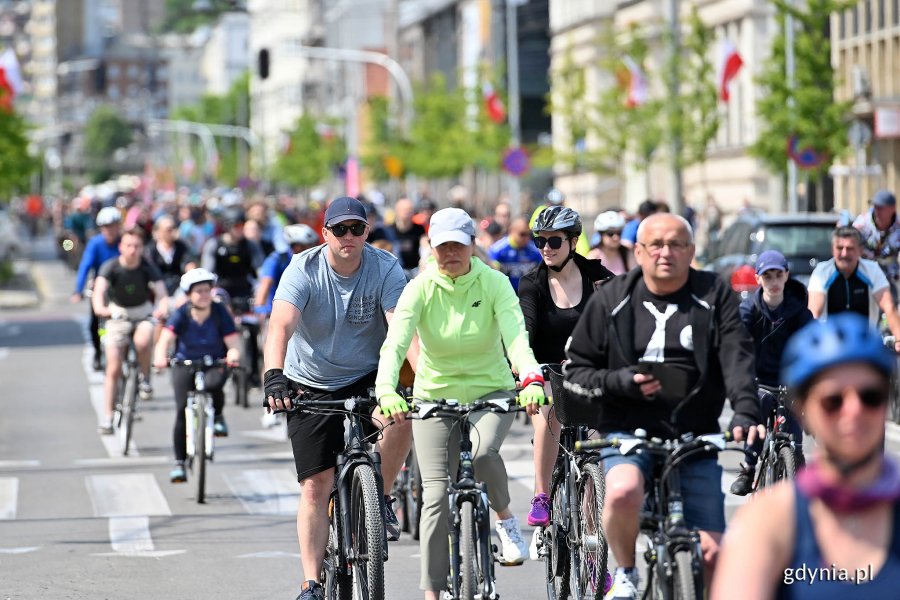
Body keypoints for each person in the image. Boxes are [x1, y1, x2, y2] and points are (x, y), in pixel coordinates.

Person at [564, 212, 763, 599]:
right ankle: (625, 572)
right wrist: (619, 382)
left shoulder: (713, 293)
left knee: (713, 554)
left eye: (676, 244)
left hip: (695, 433)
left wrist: (744, 411)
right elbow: (577, 369)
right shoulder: (612, 298)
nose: (665, 253)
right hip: (627, 428)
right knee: (622, 491)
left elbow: (737, 357)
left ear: (691, 250)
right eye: (655, 244)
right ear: (638, 251)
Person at [375, 207, 545, 599]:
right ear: (431, 248)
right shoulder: (418, 287)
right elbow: (396, 342)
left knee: (484, 455)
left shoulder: (495, 283)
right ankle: (433, 592)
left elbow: (516, 337)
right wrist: (387, 390)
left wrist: (531, 376)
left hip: (491, 393)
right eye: (441, 245)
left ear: (472, 244)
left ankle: (505, 520)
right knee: (434, 496)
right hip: (434, 396)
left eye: (457, 244)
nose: (450, 252)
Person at [262, 196, 415, 600]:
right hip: (309, 380)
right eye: (340, 230)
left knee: (400, 418)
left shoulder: (385, 268)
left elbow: (401, 329)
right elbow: (280, 324)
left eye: (357, 229)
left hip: (368, 376)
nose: (349, 237)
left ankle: (378, 496)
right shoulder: (304, 269)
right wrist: (274, 376)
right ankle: (311, 582)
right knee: (315, 486)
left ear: (367, 232)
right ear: (325, 233)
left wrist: (426, 378)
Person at [711, 313, 900, 599]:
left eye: (870, 396)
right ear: (804, 408)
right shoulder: (765, 522)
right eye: (832, 400)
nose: (853, 411)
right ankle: (749, 464)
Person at [517, 206, 613, 549]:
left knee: (598, 447)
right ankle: (541, 495)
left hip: (589, 371)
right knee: (549, 411)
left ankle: (593, 546)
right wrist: (525, 370)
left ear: (573, 241)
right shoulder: (533, 283)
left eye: (554, 240)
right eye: (539, 240)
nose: (546, 247)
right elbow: (524, 331)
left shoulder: (598, 277)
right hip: (546, 371)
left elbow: (621, 322)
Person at [730, 250, 813, 496]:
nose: (774, 282)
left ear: (786, 275)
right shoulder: (748, 310)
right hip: (760, 380)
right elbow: (737, 344)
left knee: (794, 432)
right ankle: (748, 469)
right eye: (768, 276)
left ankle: (794, 461)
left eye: (778, 275)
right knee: (759, 407)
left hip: (790, 381)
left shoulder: (799, 310)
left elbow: (814, 341)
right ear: (758, 279)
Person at [153, 268, 241, 482]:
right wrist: (160, 357)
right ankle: (179, 463)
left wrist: (233, 355)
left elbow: (233, 342)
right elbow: (165, 340)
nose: (203, 295)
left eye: (207, 290)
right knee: (182, 409)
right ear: (189, 294)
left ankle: (218, 415)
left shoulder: (220, 311)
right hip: (185, 362)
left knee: (214, 385)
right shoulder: (181, 313)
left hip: (214, 362)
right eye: (198, 291)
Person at [92, 228, 169, 434]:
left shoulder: (147, 267)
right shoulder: (111, 266)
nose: (133, 250)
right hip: (117, 314)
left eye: (137, 246)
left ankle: (145, 378)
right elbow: (99, 290)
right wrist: (100, 308)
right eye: (128, 245)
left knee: (144, 341)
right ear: (121, 247)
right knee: (113, 367)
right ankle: (107, 417)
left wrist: (162, 308)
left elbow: (161, 293)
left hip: (142, 312)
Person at [808, 227, 900, 353]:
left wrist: (899, 338)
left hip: (865, 344)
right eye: (840, 248)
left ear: (860, 251)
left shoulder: (872, 270)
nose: (844, 254)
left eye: (850, 248)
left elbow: (889, 307)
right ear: (832, 250)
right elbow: (814, 313)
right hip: (831, 346)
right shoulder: (822, 271)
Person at [201, 206, 264, 385]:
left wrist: (261, 292)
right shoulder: (215, 244)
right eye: (237, 225)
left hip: (245, 289)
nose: (240, 229)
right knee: (221, 324)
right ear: (228, 226)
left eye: (242, 225)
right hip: (222, 290)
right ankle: (222, 364)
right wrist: (212, 292)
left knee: (253, 329)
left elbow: (260, 272)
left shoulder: (250, 245)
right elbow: (208, 273)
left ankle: (252, 371)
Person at [72, 206, 122, 371]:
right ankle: (97, 352)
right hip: (100, 287)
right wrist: (78, 290)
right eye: (106, 226)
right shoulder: (95, 243)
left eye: (113, 225)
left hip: (120, 287)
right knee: (94, 322)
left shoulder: (124, 242)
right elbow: (85, 266)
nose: (110, 230)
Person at [853, 189, 900, 294]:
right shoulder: (861, 224)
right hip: (863, 275)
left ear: (892, 208)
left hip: (889, 278)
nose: (877, 210)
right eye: (875, 206)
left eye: (881, 207)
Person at [528, 188, 591, 255]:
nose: (556, 209)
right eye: (553, 205)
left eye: (559, 204)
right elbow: (532, 230)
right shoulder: (541, 211)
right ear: (547, 203)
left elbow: (581, 242)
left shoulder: (569, 216)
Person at [488, 216, 543, 292]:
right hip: (505, 294)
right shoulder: (497, 250)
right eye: (522, 234)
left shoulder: (535, 250)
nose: (526, 238)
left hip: (528, 294)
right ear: (511, 231)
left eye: (528, 234)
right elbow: (490, 273)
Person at [385, 196, 426, 275]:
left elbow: (425, 245)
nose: (408, 212)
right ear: (397, 211)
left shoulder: (419, 229)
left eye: (410, 209)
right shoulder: (389, 230)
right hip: (395, 270)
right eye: (405, 210)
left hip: (416, 270)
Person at [587, 210, 635, 275]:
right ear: (601, 235)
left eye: (619, 233)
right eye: (610, 233)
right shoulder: (593, 257)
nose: (615, 237)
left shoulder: (627, 254)